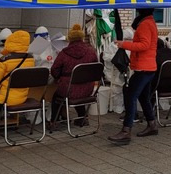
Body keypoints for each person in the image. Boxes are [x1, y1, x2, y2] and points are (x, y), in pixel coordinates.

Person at [108, 8, 159, 144]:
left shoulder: (145, 25)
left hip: (143, 67)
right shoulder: (150, 22)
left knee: (130, 96)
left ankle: (126, 131)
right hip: (149, 66)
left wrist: (124, 44)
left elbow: (144, 45)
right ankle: (152, 124)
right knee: (143, 97)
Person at [49, 24, 98, 129]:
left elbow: (54, 70)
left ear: (70, 39)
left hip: (68, 89)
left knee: (57, 96)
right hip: (88, 89)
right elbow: (96, 68)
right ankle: (82, 118)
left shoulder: (64, 53)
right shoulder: (91, 51)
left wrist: (59, 78)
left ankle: (54, 121)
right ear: (82, 37)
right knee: (79, 90)